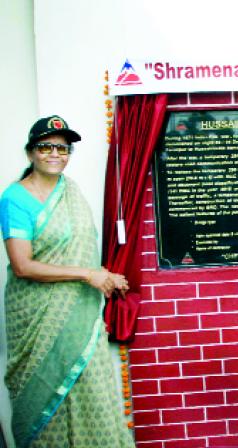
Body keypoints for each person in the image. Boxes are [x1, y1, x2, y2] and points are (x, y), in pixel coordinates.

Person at [0, 115, 135, 447]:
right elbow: (23, 266)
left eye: (63, 148)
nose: (55, 154)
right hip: (35, 315)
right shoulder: (14, 199)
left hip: (80, 315)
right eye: (45, 147)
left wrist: (104, 277)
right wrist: (89, 275)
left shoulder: (70, 192)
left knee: (91, 389)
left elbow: (81, 253)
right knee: (44, 397)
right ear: (31, 152)